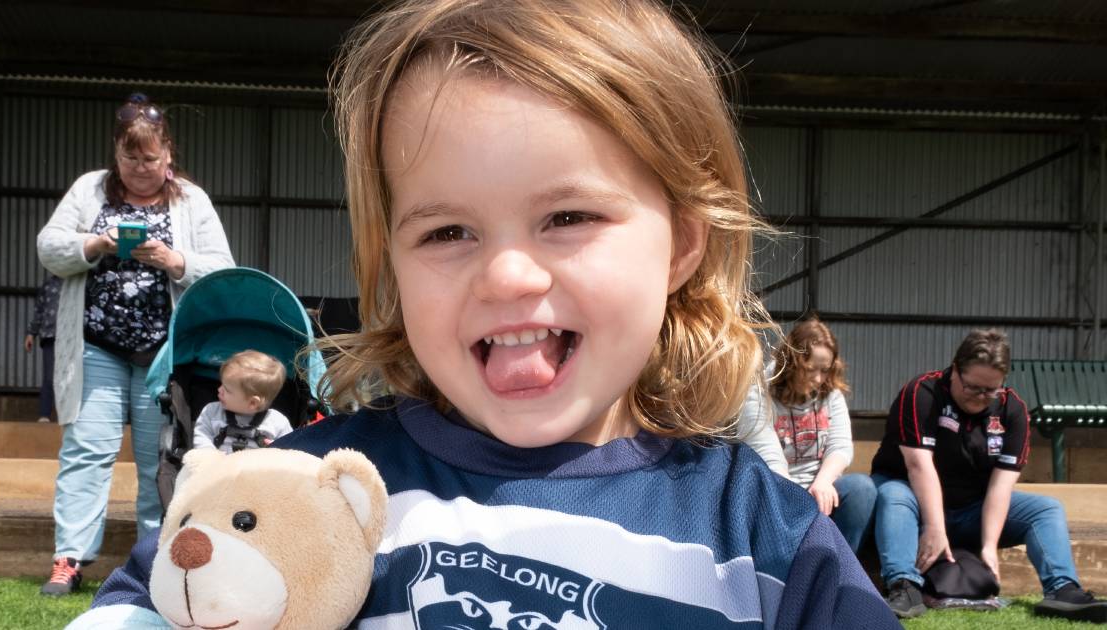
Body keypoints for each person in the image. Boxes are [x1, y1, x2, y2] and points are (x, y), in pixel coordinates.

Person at [67, 1, 898, 627]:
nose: (505, 274)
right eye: (448, 230)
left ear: (681, 242)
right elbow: (146, 601)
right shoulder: (312, 489)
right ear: (389, 259)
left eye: (568, 217)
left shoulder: (767, 545)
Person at [35, 92, 235, 596]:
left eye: (150, 158)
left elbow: (224, 268)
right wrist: (95, 244)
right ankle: (70, 558)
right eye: (130, 157)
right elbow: (49, 248)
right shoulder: (89, 191)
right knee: (87, 452)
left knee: (159, 459)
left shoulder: (191, 200)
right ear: (116, 155)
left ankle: (156, 561)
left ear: (168, 154)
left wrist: (175, 261)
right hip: (97, 347)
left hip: (161, 355)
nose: (140, 167)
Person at [870, 329, 1107, 622]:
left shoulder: (1013, 409)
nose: (981, 398)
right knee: (893, 493)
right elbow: (919, 466)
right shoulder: (922, 393)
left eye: (990, 390)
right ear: (955, 369)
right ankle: (903, 586)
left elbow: (1001, 484)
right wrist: (935, 526)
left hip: (972, 508)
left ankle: (1062, 590)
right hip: (913, 504)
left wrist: (988, 546)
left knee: (1047, 509)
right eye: (972, 388)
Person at [738, 319, 876, 555]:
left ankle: (841, 564)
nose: (819, 379)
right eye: (811, 369)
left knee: (862, 488)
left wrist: (823, 481)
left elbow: (841, 446)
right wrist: (797, 498)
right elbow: (767, 453)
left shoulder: (830, 391)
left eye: (826, 370)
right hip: (777, 487)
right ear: (792, 361)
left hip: (820, 489)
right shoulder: (759, 389)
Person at [192, 350, 292, 454]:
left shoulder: (277, 423)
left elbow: (290, 450)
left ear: (252, 403)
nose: (219, 389)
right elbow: (202, 437)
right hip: (219, 467)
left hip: (259, 469)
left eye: (227, 390)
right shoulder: (211, 412)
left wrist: (277, 451)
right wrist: (208, 457)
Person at [24, 273, 62, 423]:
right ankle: (44, 415)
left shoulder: (78, 281)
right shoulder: (49, 284)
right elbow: (39, 310)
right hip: (50, 336)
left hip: (73, 338)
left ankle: (67, 416)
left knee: (71, 378)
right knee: (49, 377)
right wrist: (31, 333)